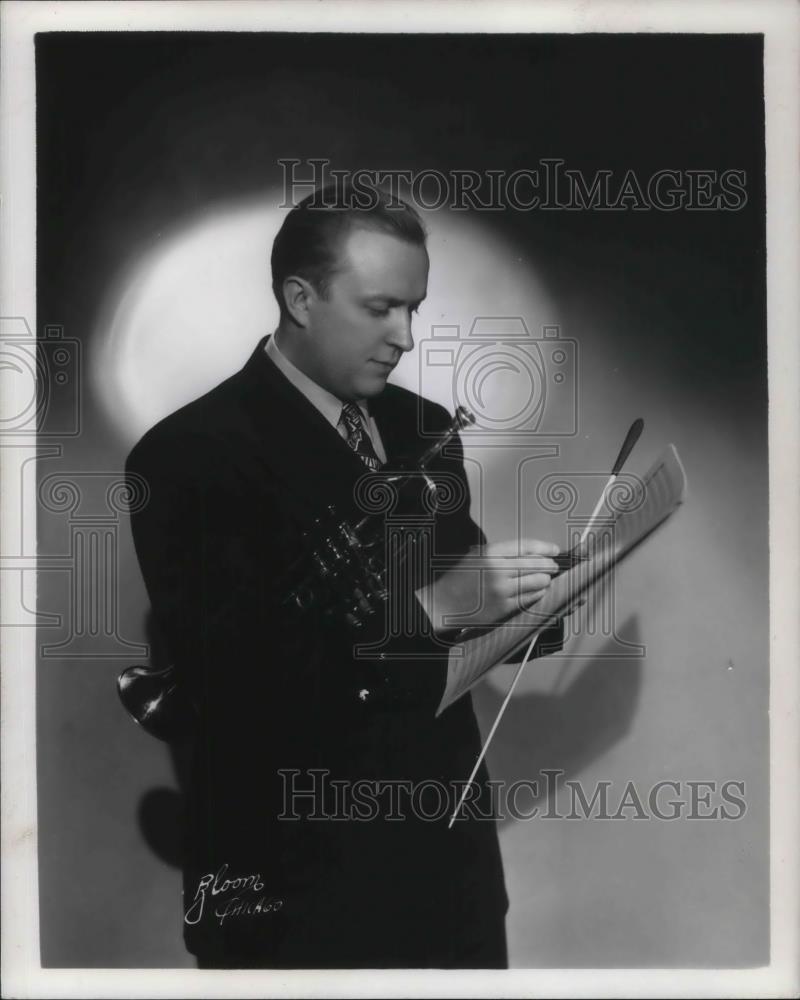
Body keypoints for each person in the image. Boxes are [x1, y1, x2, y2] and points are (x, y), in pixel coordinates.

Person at [125, 184, 566, 969]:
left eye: (414, 309)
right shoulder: (184, 455)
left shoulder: (422, 427)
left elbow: (461, 606)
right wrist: (433, 605)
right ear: (300, 298)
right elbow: (238, 680)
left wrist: (544, 592)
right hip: (297, 887)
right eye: (380, 308)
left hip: (448, 871)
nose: (404, 336)